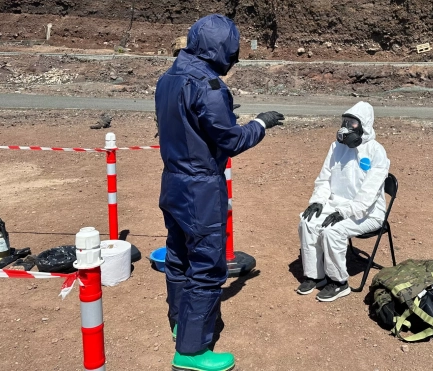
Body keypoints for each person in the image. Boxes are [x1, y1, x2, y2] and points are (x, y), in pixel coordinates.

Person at [155, 14, 284, 371]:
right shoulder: (209, 85)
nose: (235, 57)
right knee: (208, 267)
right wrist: (259, 124)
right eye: (233, 50)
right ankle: (192, 351)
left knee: (179, 257)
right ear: (221, 49)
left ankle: (183, 324)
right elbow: (229, 140)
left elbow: (185, 123)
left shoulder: (169, 77)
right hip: (200, 186)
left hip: (173, 181)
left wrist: (218, 118)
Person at [297, 101, 390, 302]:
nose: (346, 127)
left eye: (352, 123)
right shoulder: (336, 147)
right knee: (307, 222)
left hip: (368, 213)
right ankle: (315, 275)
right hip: (336, 204)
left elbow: (369, 194)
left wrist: (346, 212)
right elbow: (324, 178)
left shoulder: (376, 152)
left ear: (364, 125)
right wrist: (318, 201)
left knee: (333, 231)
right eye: (344, 121)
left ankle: (339, 282)